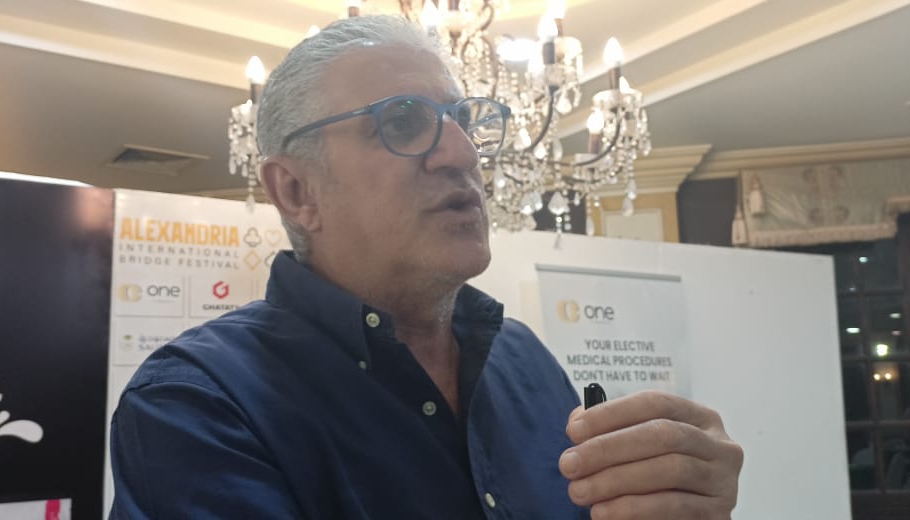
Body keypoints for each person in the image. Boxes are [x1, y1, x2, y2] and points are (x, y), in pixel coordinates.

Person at [110, 15, 742, 519]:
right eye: (402, 121)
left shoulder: (522, 357)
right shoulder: (197, 405)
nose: (463, 154)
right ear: (298, 192)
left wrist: (678, 499)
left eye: (463, 120)